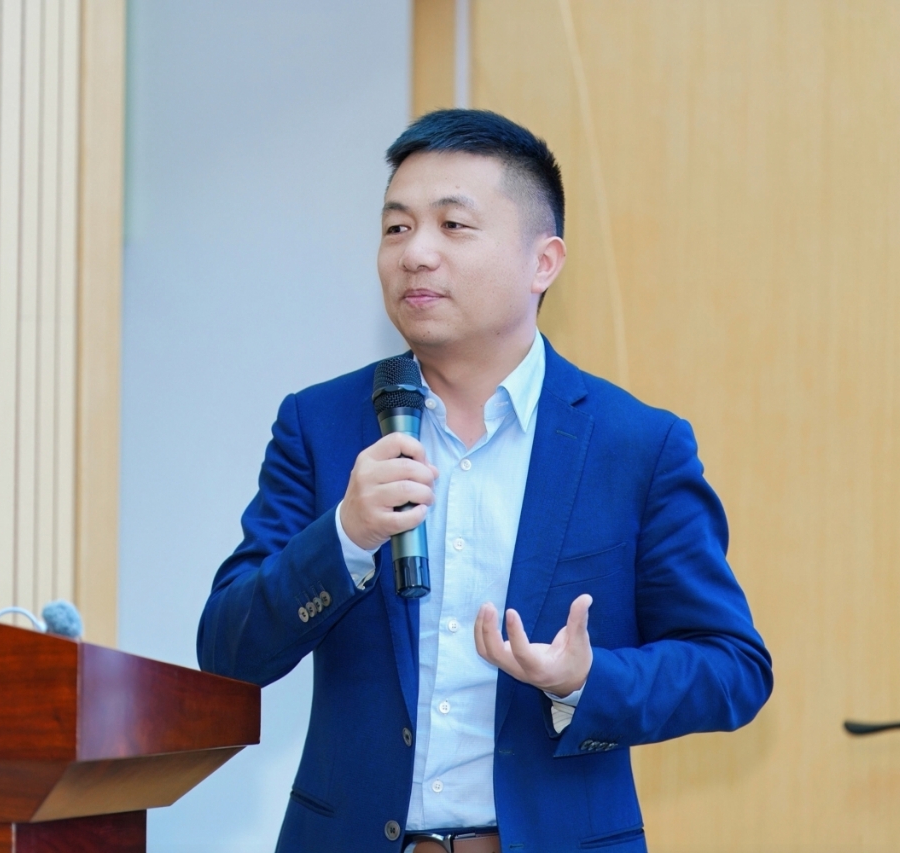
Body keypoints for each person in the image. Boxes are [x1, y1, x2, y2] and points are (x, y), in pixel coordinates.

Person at [197, 109, 772, 853]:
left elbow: (732, 668)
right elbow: (228, 651)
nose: (415, 254)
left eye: (453, 226)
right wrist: (345, 536)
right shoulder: (321, 424)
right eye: (396, 227)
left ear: (544, 262)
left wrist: (584, 680)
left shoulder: (636, 445)